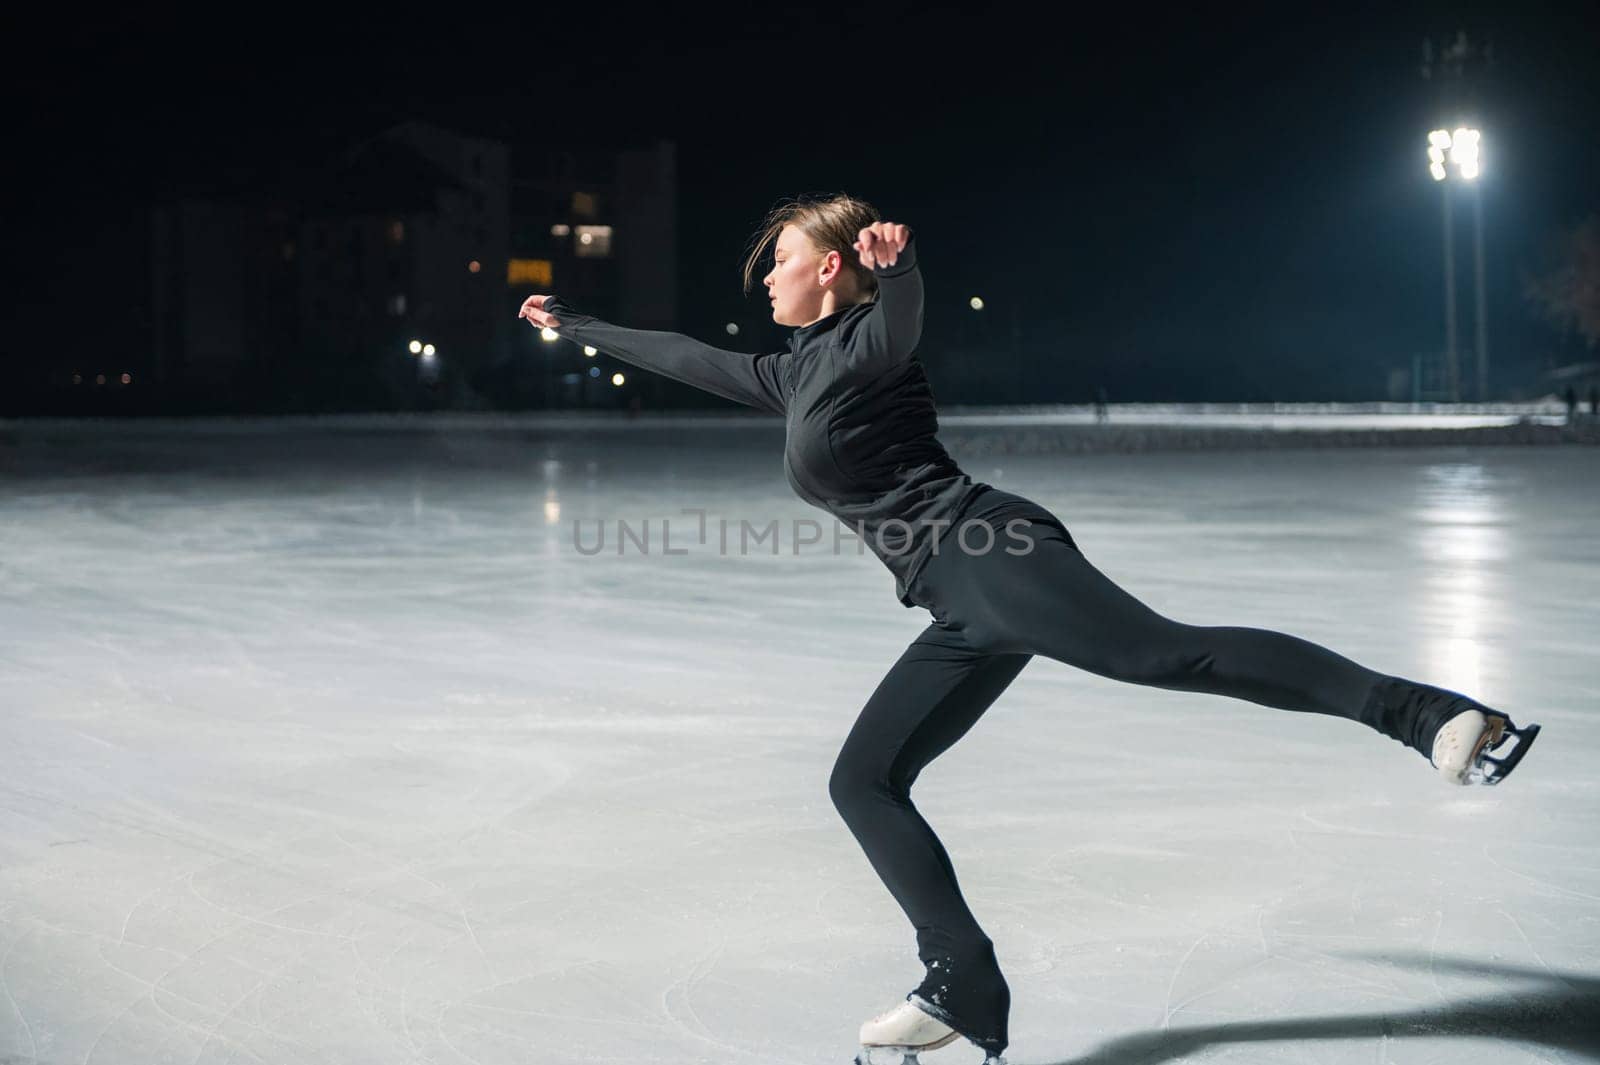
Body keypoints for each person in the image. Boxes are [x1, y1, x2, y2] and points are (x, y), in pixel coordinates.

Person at [517, 193, 1541, 1065]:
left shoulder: (869, 344)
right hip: (956, 599)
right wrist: (577, 324)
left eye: (778, 263)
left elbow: (901, 317)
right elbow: (693, 359)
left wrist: (904, 266)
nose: (766, 282)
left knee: (1160, 652)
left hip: (987, 549)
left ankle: (1436, 718)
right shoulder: (795, 370)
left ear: (830, 269)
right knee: (860, 781)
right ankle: (959, 983)